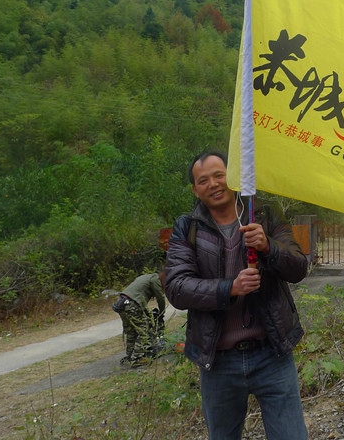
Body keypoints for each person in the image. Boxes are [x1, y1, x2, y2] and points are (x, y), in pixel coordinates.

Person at [164, 150, 308, 440]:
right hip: (218, 360)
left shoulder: (264, 215)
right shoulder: (187, 227)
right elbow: (177, 287)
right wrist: (230, 288)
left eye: (219, 175)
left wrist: (268, 246)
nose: (214, 184)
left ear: (233, 176)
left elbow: (299, 267)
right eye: (203, 180)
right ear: (195, 189)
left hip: (271, 353)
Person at [112, 271, 166, 367]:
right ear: (163, 277)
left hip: (122, 303)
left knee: (131, 331)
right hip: (131, 304)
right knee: (143, 331)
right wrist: (162, 312)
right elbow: (160, 298)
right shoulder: (155, 279)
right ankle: (137, 358)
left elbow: (137, 296)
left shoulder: (145, 277)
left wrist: (146, 313)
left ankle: (130, 355)